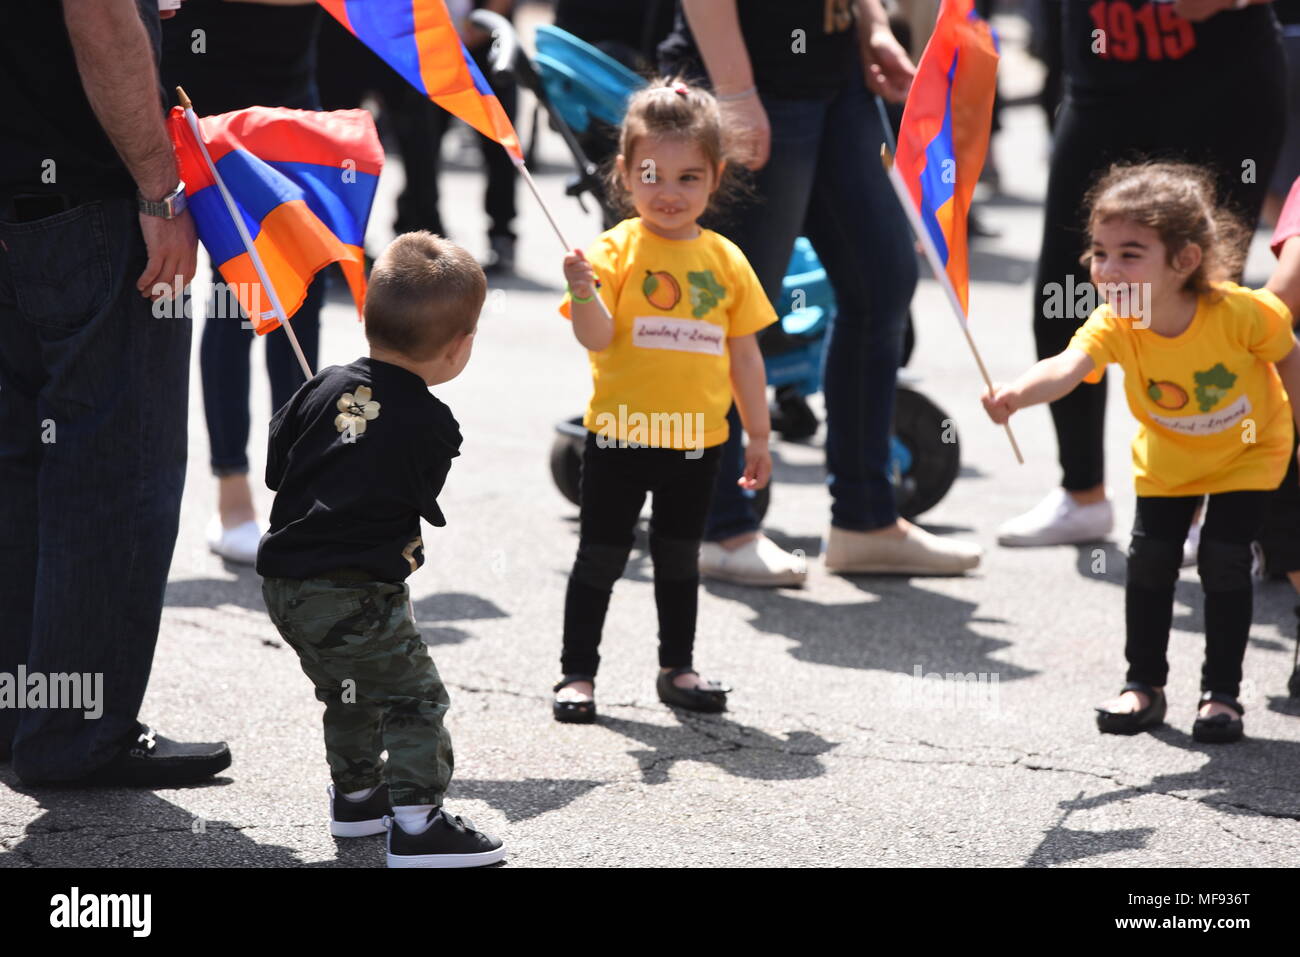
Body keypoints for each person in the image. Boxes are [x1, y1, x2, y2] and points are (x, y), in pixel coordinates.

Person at [660, 0, 982, 585]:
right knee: (730, 308)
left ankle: (866, 523)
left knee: (883, 282)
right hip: (755, 79)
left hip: (835, 78)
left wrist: (872, 23)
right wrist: (734, 92)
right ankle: (722, 529)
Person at [983, 161, 1300, 743]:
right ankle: (1143, 686)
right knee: (1150, 562)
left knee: (1224, 562)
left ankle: (1221, 696)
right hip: (1169, 461)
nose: (1107, 268)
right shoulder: (1115, 321)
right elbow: (1068, 367)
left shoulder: (1240, 312)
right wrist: (1017, 394)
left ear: (1185, 260)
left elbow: (1288, 355)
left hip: (1250, 453)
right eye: (1100, 252)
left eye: (1130, 253)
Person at [0, 0, 231, 786]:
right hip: (89, 203)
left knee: (23, 463)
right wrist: (161, 194)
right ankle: (75, 733)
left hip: (24, 193)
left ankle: (24, 713)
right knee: (116, 468)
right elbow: (97, 13)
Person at [258, 232, 504, 867]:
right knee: (413, 697)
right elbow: (418, 496)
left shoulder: (320, 386)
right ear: (459, 348)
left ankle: (359, 798)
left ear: (368, 312)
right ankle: (419, 825)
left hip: (286, 585)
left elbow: (277, 469)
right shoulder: (433, 422)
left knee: (347, 690)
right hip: (357, 589)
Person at [1001, 0, 1285, 548]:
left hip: (1221, 90)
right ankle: (1081, 494)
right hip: (1102, 92)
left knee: (1205, 302)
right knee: (1067, 294)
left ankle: (1208, 510)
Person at [553, 79, 774, 723]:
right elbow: (593, 337)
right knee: (600, 555)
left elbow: (745, 356)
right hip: (619, 435)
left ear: (715, 177)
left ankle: (678, 666)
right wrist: (586, 292)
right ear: (624, 172)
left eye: (688, 176)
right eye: (651, 174)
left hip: (697, 442)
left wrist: (757, 435)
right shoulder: (612, 252)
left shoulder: (726, 260)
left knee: (680, 558)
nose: (668, 192)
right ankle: (578, 672)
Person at [161, 0, 327, 565]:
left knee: (302, 300)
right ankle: (232, 492)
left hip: (293, 114)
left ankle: (298, 490)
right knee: (234, 304)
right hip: (208, 115)